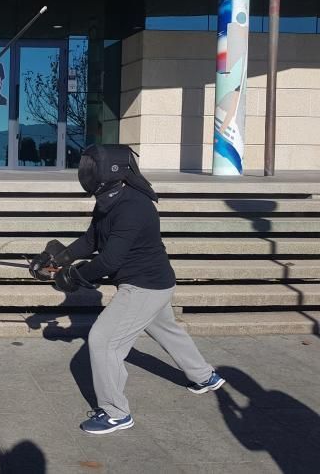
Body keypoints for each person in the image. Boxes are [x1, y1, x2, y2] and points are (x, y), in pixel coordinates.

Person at [30, 144, 225, 435]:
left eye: (91, 166)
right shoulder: (108, 199)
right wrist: (58, 260)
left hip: (143, 286)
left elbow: (110, 260)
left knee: (102, 340)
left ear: (112, 169)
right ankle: (205, 377)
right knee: (167, 330)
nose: (86, 171)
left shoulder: (134, 206)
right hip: (156, 283)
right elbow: (91, 240)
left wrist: (72, 276)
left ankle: (115, 413)